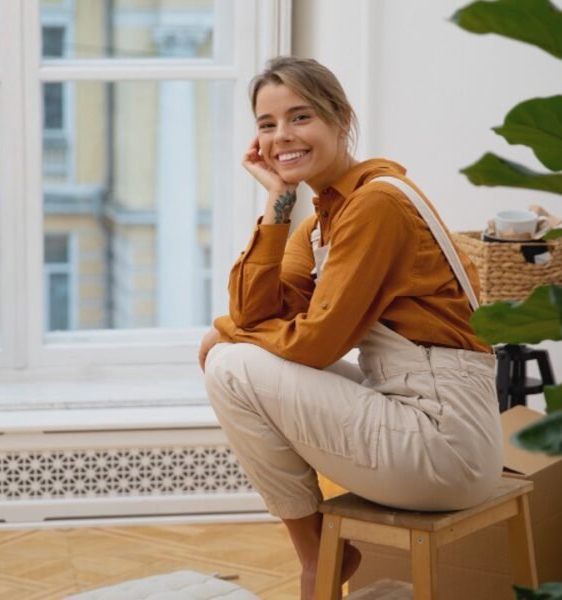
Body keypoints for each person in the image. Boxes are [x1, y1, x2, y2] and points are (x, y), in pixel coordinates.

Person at [198, 56, 502, 599]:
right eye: (266, 125)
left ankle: (317, 559)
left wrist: (227, 334)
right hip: (410, 412)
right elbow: (253, 314)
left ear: (341, 119)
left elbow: (313, 344)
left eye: (300, 117)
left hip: (444, 442)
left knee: (227, 361)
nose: (281, 136)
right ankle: (320, 553)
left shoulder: (376, 205)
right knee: (226, 350)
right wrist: (276, 202)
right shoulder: (320, 220)